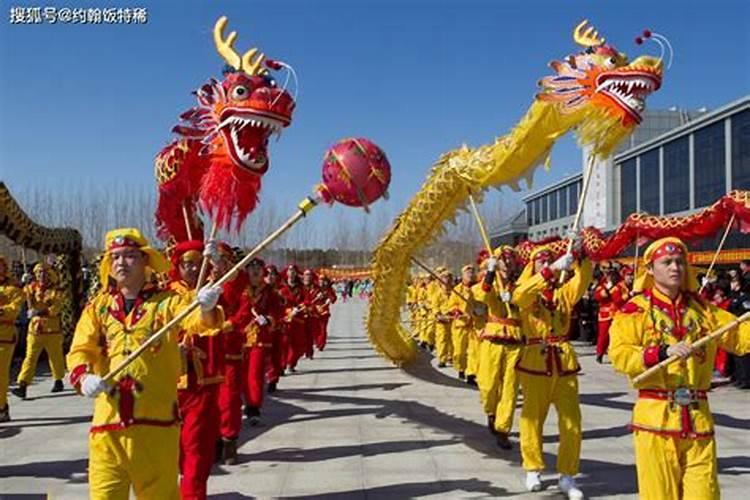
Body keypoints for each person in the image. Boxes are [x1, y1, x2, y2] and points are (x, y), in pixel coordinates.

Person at [66, 228, 222, 500]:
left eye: (129, 256)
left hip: (156, 427)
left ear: (145, 260)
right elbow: (80, 348)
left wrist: (207, 307)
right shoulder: (98, 308)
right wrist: (82, 377)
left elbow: (197, 321)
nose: (121, 263)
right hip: (107, 428)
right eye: (114, 257)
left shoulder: (168, 303)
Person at [609, 237, 750, 499]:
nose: (675, 267)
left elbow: (741, 337)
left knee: (704, 493)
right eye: (667, 262)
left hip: (698, 420)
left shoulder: (704, 310)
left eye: (679, 262)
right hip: (656, 422)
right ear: (650, 269)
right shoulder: (635, 310)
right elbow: (619, 354)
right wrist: (661, 352)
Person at [512, 242, 592, 498]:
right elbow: (520, 294)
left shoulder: (563, 294)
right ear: (532, 266)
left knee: (572, 422)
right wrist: (548, 272)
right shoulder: (527, 293)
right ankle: (533, 467)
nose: (546, 264)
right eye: (541, 262)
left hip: (563, 361)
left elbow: (583, 281)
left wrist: (580, 256)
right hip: (536, 360)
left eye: (550, 261)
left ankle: (567, 475)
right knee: (532, 418)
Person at [167, 240, 225, 500]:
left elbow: (235, 291)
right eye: (186, 264)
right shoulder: (165, 294)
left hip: (203, 381)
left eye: (196, 263)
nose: (191, 269)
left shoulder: (212, 288)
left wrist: (217, 263)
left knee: (197, 449)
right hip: (167, 382)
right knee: (168, 449)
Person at [475, 246, 523, 450]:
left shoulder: (521, 281)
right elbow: (481, 298)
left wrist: (516, 300)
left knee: (510, 389)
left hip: (515, 341)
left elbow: (530, 300)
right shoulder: (490, 281)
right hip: (492, 339)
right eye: (504, 258)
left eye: (511, 258)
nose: (508, 261)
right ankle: (491, 412)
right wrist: (490, 274)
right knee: (487, 385)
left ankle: (503, 429)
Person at [211, 241, 248, 466]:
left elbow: (243, 310)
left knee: (229, 399)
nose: (216, 266)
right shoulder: (202, 283)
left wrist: (229, 324)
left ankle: (229, 440)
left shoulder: (237, 283)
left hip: (230, 349)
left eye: (220, 261)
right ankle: (213, 440)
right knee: (208, 401)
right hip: (204, 352)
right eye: (213, 262)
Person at [233, 258, 282, 425]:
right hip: (238, 337)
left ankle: (254, 406)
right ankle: (242, 403)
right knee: (239, 375)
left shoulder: (269, 292)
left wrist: (268, 319)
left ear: (263, 272)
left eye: (258, 268)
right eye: (251, 268)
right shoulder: (239, 289)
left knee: (254, 374)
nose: (255, 271)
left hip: (259, 338)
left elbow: (277, 311)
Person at [13, 262, 66, 398]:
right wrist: (20, 282)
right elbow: (18, 295)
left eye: (44, 273)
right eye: (38, 273)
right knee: (30, 357)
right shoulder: (31, 288)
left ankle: (58, 379)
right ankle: (23, 384)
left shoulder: (56, 290)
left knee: (55, 357)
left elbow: (55, 308)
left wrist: (38, 312)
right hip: (35, 330)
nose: (41, 275)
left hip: (52, 330)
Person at [0, 256, 24, 422]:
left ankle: (1, 406)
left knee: (0, 374)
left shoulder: (13, 288)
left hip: (5, 335)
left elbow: (14, 309)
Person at [593, 263, 628, 363]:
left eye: (612, 274)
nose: (611, 276)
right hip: (606, 314)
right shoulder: (602, 285)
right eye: (609, 274)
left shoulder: (620, 285)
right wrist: (607, 289)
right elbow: (598, 297)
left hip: (618, 314)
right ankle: (600, 353)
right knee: (604, 335)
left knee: (618, 335)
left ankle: (615, 353)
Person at [448, 265, 476, 379]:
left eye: (472, 272)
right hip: (460, 325)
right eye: (467, 273)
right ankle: (461, 368)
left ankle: (471, 373)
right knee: (459, 352)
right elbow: (451, 305)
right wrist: (456, 311)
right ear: (463, 275)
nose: (470, 274)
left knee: (473, 351)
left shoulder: (477, 288)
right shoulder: (457, 290)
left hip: (474, 325)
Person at [432, 269, 455, 369]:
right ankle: (442, 359)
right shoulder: (437, 294)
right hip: (442, 320)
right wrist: (438, 315)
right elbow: (435, 306)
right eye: (445, 278)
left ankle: (451, 357)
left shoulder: (455, 292)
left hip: (454, 319)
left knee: (453, 340)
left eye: (449, 278)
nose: (447, 281)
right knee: (442, 340)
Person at [314, 275, 337, 351]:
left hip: (324, 312)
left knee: (323, 329)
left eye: (323, 280)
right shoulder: (315, 288)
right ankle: (317, 342)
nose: (321, 281)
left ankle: (322, 344)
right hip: (314, 312)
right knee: (316, 329)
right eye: (320, 280)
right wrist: (316, 296)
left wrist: (330, 299)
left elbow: (333, 298)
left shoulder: (329, 289)